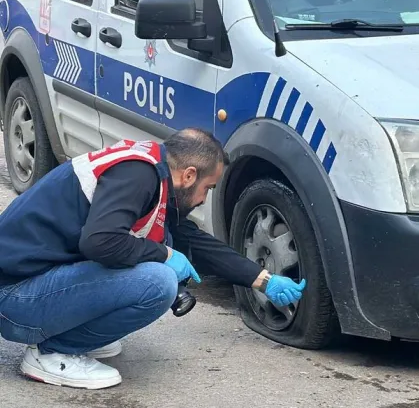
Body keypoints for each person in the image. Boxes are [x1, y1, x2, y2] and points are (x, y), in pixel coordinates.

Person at [0, 128, 306, 390]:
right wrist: (163, 254)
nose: (203, 199)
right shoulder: (138, 175)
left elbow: (192, 241)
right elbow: (99, 242)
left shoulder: (149, 169)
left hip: (26, 288)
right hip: (14, 299)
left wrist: (262, 279)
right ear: (189, 175)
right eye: (207, 188)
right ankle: (54, 352)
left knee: (160, 249)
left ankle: (71, 336)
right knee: (157, 282)